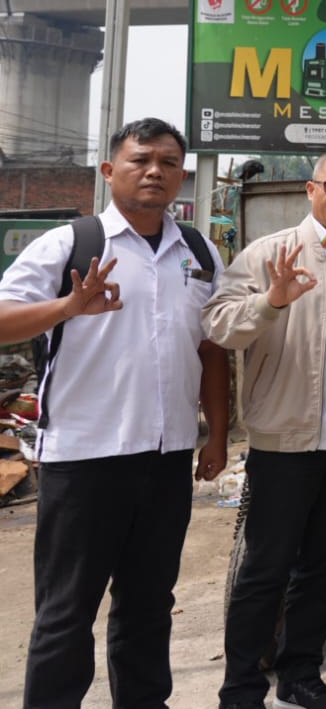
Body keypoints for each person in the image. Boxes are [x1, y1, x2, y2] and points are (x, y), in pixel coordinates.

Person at [0, 118, 227, 709]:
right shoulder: (70, 244)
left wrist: (218, 436)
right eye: (140, 159)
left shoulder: (199, 251)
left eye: (169, 162)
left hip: (167, 457)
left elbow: (211, 350)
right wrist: (67, 307)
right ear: (109, 171)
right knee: (66, 614)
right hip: (84, 459)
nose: (155, 171)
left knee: (150, 606)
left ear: (182, 174)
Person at [206, 148, 326, 709]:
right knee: (264, 571)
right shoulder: (270, 255)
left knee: (322, 570)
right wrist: (270, 301)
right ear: (310, 190)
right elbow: (218, 326)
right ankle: (241, 689)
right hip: (286, 444)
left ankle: (301, 677)